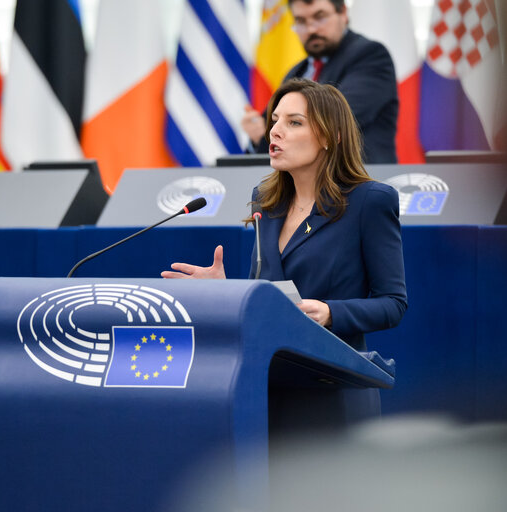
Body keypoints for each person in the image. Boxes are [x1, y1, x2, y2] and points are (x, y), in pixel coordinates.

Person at [163, 78, 407, 350]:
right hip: (269, 375)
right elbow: (268, 295)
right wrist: (227, 290)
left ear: (330, 136)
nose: (274, 132)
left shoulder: (369, 201)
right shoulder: (266, 201)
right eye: (275, 120)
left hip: (331, 379)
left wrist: (330, 313)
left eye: (294, 122)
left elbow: (393, 303)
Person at [241, 0, 398, 164]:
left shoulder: (370, 56)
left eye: (320, 17)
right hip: (302, 185)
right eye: (301, 21)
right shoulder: (296, 72)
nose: (311, 29)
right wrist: (258, 135)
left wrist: (274, 130)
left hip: (359, 180)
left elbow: (336, 119)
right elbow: (270, 132)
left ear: (343, 13)